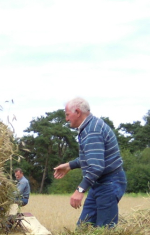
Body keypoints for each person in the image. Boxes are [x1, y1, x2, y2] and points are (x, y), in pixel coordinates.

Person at [52, 97, 127, 227]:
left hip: (109, 183)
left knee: (104, 232)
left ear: (77, 112)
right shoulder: (90, 127)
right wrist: (70, 165)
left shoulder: (92, 131)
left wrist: (80, 190)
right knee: (84, 228)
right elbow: (92, 158)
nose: (66, 119)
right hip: (100, 182)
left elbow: (96, 166)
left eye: (67, 115)